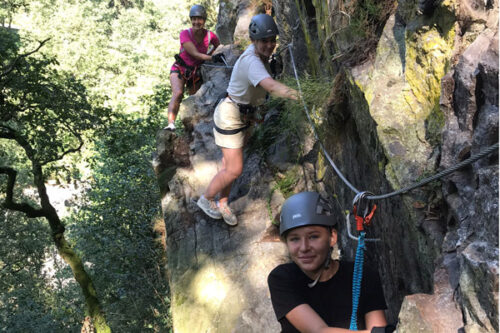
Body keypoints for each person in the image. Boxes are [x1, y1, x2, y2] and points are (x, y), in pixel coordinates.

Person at [196, 13, 298, 225]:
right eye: (264, 41)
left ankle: (222, 202)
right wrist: (299, 96)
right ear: (253, 41)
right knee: (234, 169)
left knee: (229, 166)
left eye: (272, 40)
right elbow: (270, 85)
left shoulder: (260, 56)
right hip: (230, 117)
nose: (269, 45)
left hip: (241, 115)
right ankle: (206, 199)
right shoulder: (252, 60)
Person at [268, 192, 394, 333]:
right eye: (294, 239)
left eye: (313, 236)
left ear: (332, 237)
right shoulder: (283, 278)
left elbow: (377, 328)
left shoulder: (363, 275)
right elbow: (318, 330)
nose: (304, 248)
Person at [164, 4, 225, 131]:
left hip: (195, 73)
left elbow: (218, 46)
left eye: (200, 19)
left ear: (204, 20)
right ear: (191, 20)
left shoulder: (210, 36)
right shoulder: (185, 34)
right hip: (180, 69)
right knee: (178, 93)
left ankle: (194, 129)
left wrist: (212, 54)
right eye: (194, 19)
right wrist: (211, 58)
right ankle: (171, 124)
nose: (197, 22)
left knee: (195, 101)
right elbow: (195, 54)